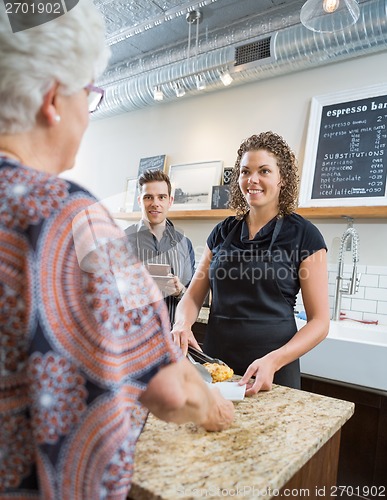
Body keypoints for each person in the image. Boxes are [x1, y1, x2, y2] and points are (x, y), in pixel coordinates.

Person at [0, 2, 234, 498]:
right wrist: (208, 403)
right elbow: (168, 389)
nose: (89, 110)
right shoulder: (73, 217)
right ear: (51, 99)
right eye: (89, 92)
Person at [171, 132, 330, 395]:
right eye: (245, 171)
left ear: (283, 179)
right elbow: (192, 297)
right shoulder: (222, 231)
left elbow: (320, 322)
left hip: (273, 374)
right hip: (215, 369)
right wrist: (182, 324)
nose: (252, 179)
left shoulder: (306, 235)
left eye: (264, 171)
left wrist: (274, 360)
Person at [125, 169, 195, 326]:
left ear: (170, 201)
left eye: (161, 197)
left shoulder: (185, 244)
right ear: (139, 201)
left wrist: (180, 291)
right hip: (132, 341)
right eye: (148, 197)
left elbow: (194, 299)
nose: (155, 203)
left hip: (171, 339)